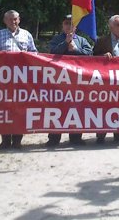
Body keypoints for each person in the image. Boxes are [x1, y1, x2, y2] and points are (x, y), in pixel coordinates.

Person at [0, 10, 37, 149]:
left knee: (20, 110)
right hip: (4, 80)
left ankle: (17, 141)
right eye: (10, 19)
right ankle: (5, 140)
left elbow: (34, 53)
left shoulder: (26, 35)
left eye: (15, 19)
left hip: (22, 79)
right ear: (5, 21)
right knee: (5, 109)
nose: (13, 22)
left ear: (19, 20)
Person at [46, 15, 93, 147]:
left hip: (78, 82)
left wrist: (76, 50)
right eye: (66, 23)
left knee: (77, 109)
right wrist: (66, 43)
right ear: (62, 25)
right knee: (57, 109)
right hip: (59, 82)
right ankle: (54, 138)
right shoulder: (57, 39)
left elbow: (90, 55)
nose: (69, 26)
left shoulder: (82, 41)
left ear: (76, 26)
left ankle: (76, 137)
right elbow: (52, 53)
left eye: (72, 23)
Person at [94, 14, 119, 143]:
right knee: (105, 107)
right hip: (108, 82)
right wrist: (102, 56)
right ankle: (101, 136)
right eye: (118, 25)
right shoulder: (102, 41)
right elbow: (91, 59)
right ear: (111, 27)